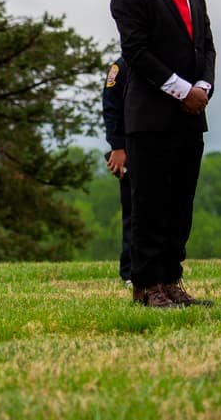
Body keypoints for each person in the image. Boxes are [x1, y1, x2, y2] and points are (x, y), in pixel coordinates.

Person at [109, 0, 216, 309]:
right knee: (149, 204)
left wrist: (204, 86)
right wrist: (181, 89)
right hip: (150, 115)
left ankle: (171, 280)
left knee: (179, 205)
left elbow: (206, 45)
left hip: (190, 116)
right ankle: (146, 285)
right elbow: (136, 52)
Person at [101, 56, 132, 284]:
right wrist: (117, 146)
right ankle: (130, 272)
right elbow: (111, 107)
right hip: (129, 150)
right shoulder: (119, 68)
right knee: (133, 214)